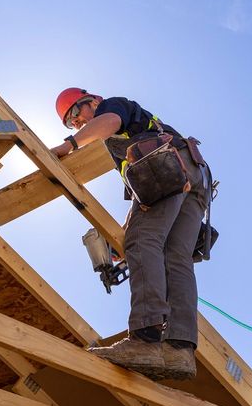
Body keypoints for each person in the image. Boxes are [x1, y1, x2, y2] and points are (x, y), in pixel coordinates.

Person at [50, 88, 207, 380]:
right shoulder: (128, 140)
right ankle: (180, 349)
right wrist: (121, 240)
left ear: (92, 100)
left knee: (143, 240)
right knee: (175, 258)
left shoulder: (111, 107)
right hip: (195, 176)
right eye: (71, 124)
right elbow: (142, 202)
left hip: (169, 165)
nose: (77, 124)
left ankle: (145, 340)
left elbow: (108, 121)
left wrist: (69, 145)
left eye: (75, 113)